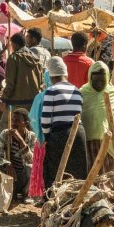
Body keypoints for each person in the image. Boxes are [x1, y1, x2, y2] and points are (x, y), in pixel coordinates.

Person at [41, 57, 88, 189]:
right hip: (79, 133)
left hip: (60, 134)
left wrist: (47, 137)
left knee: (55, 171)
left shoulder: (51, 91)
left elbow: (45, 119)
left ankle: (54, 199)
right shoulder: (77, 91)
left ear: (50, 75)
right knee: (77, 171)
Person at [80, 62, 114, 173]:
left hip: (110, 144)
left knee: (109, 174)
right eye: (96, 81)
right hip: (89, 144)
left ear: (107, 78)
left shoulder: (112, 93)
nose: (99, 84)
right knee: (91, 173)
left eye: (102, 80)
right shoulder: (83, 93)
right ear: (90, 78)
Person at [0, 108, 36, 200]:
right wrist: (6, 163)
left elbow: (32, 160)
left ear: (26, 123)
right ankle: (11, 191)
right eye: (13, 120)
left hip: (24, 176)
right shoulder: (5, 134)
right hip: (10, 174)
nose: (14, 123)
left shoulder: (32, 136)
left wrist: (21, 140)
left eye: (18, 121)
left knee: (31, 167)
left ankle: (26, 194)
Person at [2, 33, 42, 112]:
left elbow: (10, 83)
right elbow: (41, 81)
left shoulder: (13, 58)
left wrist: (4, 100)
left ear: (15, 44)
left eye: (12, 44)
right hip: (33, 102)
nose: (12, 47)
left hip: (16, 103)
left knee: (5, 123)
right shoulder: (35, 58)